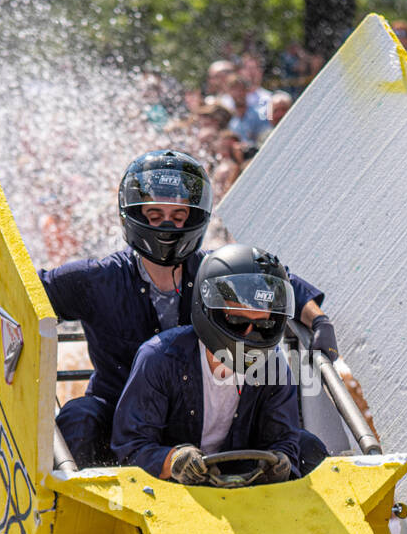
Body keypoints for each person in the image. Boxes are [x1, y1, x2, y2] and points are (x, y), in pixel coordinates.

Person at [40, 150, 329, 467]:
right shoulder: (96, 279)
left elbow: (277, 282)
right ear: (133, 214)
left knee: (306, 446)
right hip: (122, 424)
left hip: (208, 422)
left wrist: (319, 323)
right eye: (154, 215)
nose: (166, 225)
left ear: (195, 218)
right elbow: (28, 293)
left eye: (178, 217)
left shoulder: (217, 272)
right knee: (77, 418)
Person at [111, 244, 301, 484]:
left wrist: (281, 461)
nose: (249, 335)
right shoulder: (158, 357)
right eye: (237, 321)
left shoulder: (273, 365)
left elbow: (285, 441)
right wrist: (174, 461)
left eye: (263, 326)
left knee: (311, 447)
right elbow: (130, 448)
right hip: (167, 492)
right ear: (209, 311)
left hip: (246, 489)